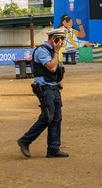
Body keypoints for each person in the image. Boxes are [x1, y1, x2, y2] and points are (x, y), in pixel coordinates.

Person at [17, 28, 69, 159]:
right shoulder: (42, 51)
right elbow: (51, 67)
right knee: (47, 117)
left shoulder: (52, 51)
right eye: (60, 40)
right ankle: (25, 141)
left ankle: (53, 148)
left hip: (54, 89)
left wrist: (58, 82)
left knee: (56, 119)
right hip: (45, 89)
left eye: (63, 39)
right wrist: (56, 52)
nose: (62, 42)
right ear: (53, 39)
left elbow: (57, 70)